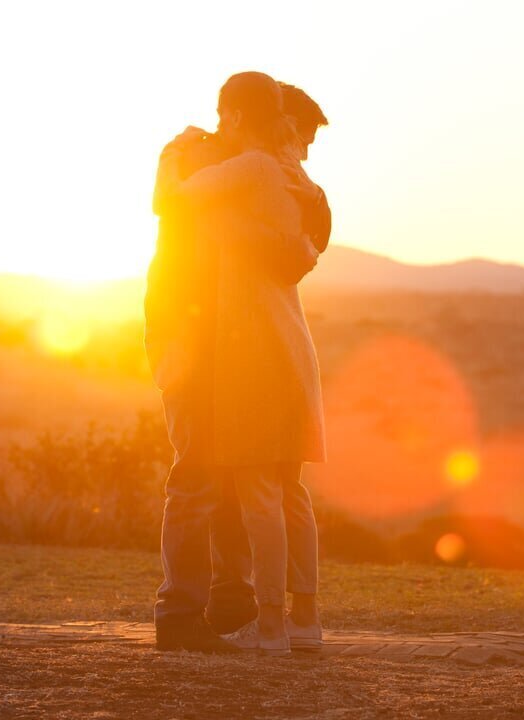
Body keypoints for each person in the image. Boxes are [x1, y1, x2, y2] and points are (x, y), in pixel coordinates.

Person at [146, 72, 326, 655]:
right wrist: (296, 241)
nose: (297, 149)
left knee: (238, 475)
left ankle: (232, 601)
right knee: (200, 472)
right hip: (192, 334)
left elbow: (309, 228)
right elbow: (178, 207)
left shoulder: (260, 167)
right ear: (260, 118)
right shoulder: (204, 156)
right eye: (291, 132)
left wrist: (309, 208)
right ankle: (183, 613)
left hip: (234, 340)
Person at [204, 84, 331, 649]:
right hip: (294, 351)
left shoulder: (252, 178)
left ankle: (273, 624)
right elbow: (305, 247)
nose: (303, 151)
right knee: (289, 492)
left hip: (256, 355)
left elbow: (176, 198)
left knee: (260, 493)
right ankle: (305, 620)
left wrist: (186, 147)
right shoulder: (296, 192)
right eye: (302, 138)